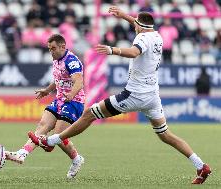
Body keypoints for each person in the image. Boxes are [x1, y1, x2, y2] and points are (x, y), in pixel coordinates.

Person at [28, 7, 212, 185]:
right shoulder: (157, 35)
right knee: (165, 135)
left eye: (135, 25)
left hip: (134, 95)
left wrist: (112, 50)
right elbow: (139, 24)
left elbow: (133, 52)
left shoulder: (141, 38)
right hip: (153, 96)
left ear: (140, 27)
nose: (134, 27)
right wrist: (125, 16)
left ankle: (52, 140)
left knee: (89, 114)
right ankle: (200, 166)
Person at [5, 34, 85, 179]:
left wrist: (71, 95)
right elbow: (58, 79)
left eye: (53, 48)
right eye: (49, 49)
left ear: (62, 46)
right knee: (43, 125)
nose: (51, 52)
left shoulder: (72, 61)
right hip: (60, 99)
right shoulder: (57, 60)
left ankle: (76, 159)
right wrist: (47, 90)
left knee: (58, 136)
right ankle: (21, 154)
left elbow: (79, 82)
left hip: (74, 102)